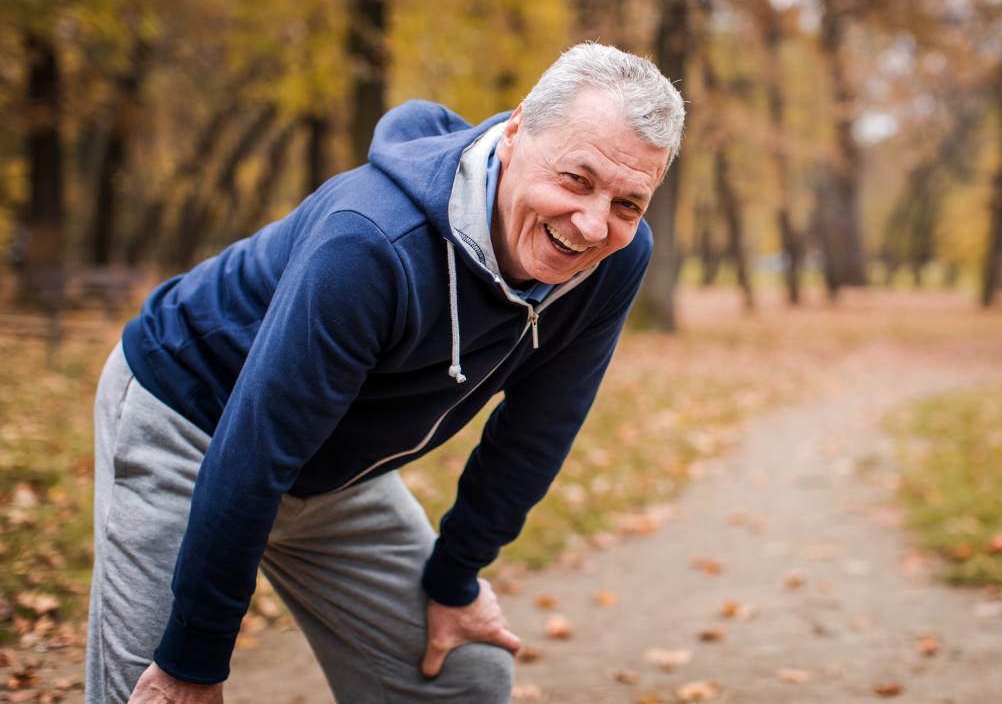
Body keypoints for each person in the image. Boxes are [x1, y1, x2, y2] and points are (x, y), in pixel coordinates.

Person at [86, 42, 685, 704]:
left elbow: (540, 428)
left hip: (332, 467)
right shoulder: (371, 243)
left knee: (464, 676)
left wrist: (455, 580)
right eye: (576, 179)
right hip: (192, 420)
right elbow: (254, 453)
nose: (593, 223)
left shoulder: (613, 261)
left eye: (629, 202)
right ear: (516, 132)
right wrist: (193, 658)